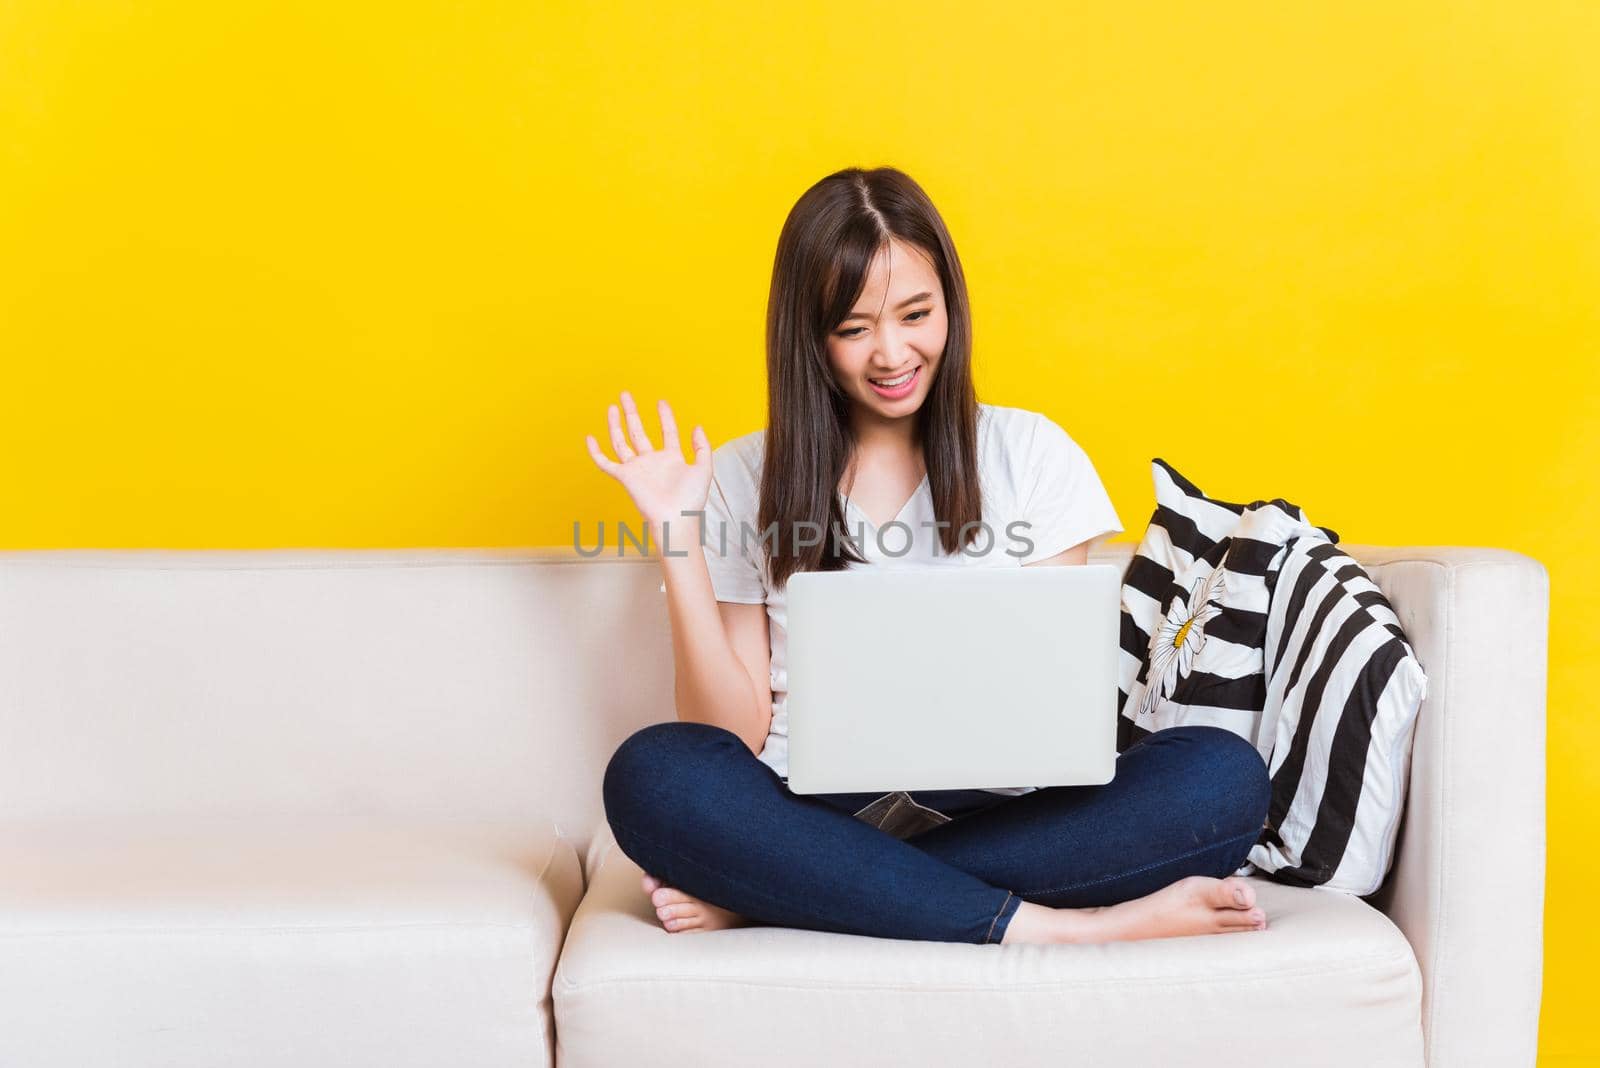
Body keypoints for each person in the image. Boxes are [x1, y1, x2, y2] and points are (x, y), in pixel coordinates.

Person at [581, 166, 1271, 946]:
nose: (891, 353)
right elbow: (730, 735)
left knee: (1221, 776)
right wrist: (678, 535)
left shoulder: (1031, 453)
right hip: (802, 810)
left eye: (916, 314)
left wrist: (778, 877)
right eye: (853, 328)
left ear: (951, 305)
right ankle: (1051, 927)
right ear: (808, 336)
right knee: (655, 773)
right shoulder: (744, 475)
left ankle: (799, 890)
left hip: (1004, 810)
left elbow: (1049, 709)